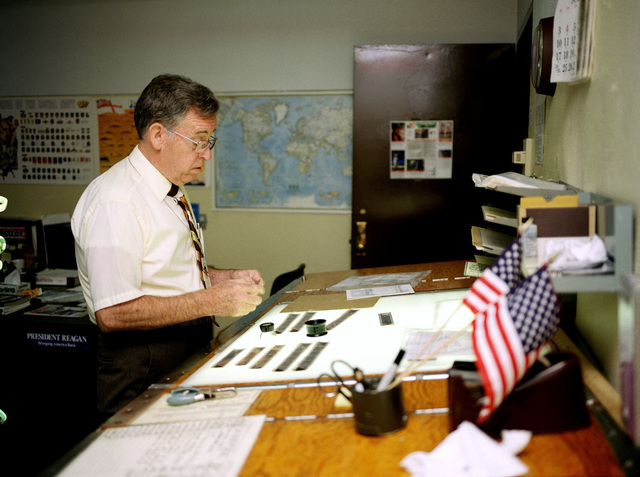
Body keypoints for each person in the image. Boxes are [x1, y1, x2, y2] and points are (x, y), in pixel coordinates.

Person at [72, 74, 265, 416]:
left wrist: (222, 278)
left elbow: (165, 269)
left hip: (182, 346)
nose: (206, 154)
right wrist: (211, 300)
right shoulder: (116, 200)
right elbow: (114, 313)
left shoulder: (168, 186)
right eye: (198, 141)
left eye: (210, 141)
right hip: (142, 360)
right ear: (159, 134)